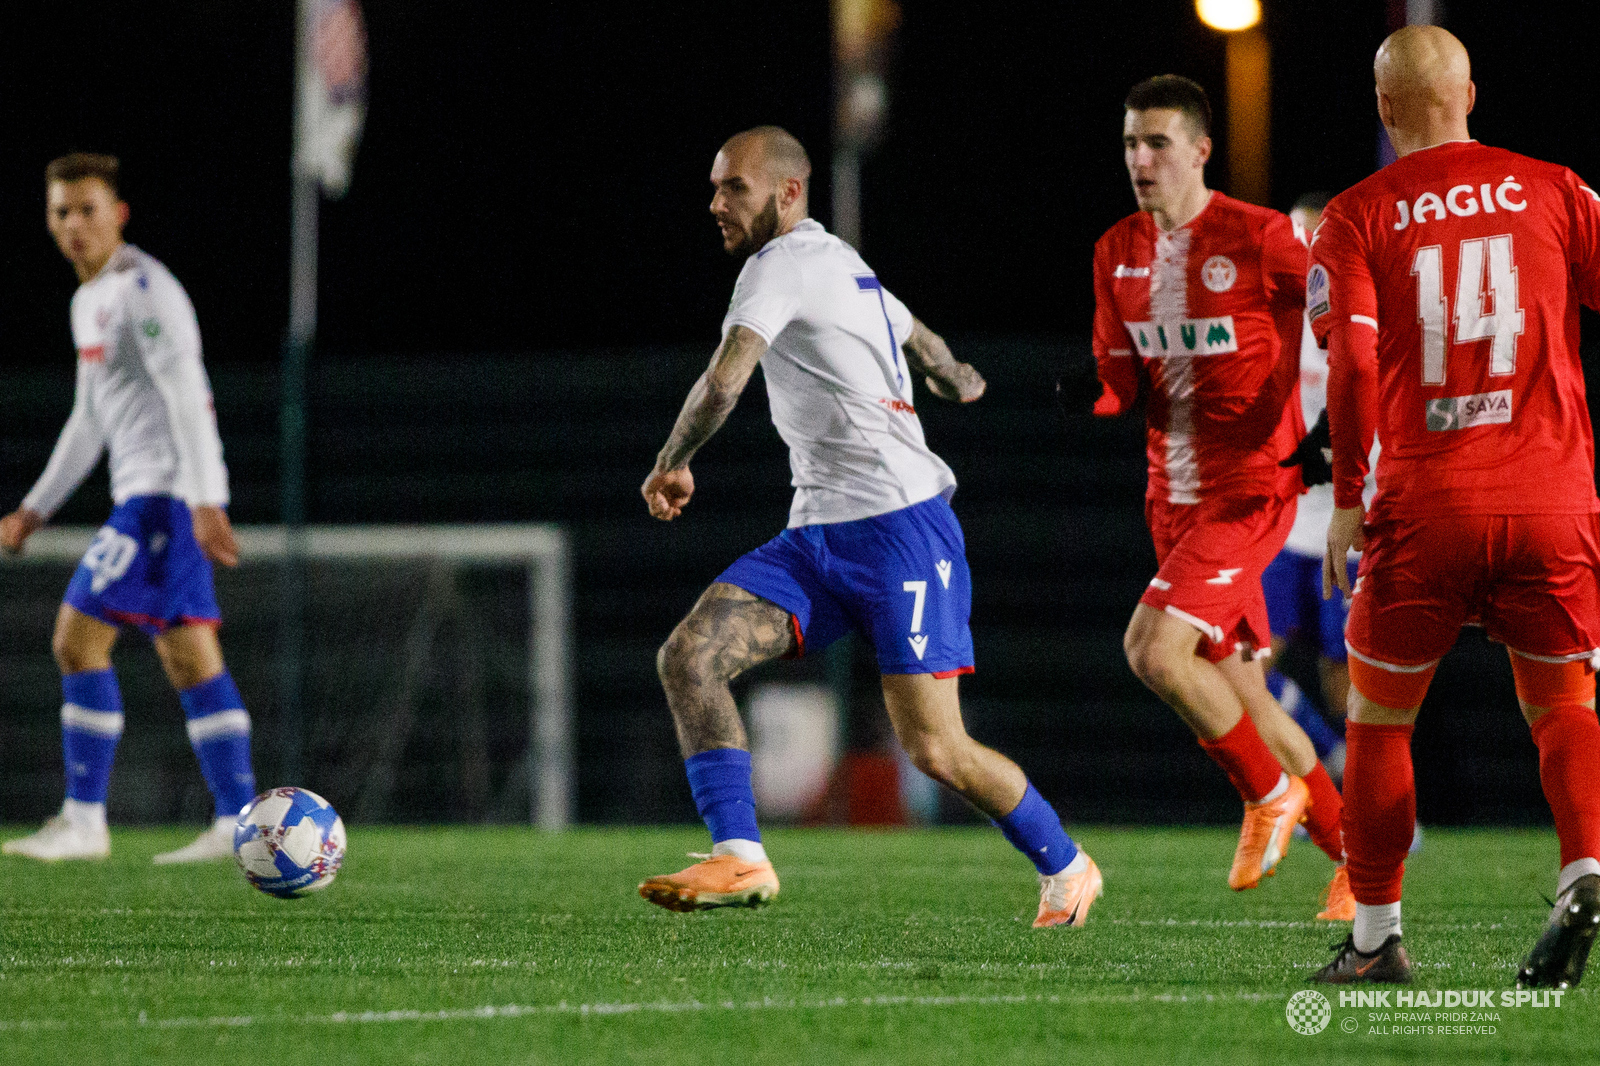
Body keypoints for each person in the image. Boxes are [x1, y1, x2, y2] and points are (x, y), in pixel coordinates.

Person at [638, 127, 1101, 928]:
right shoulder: (840, 262)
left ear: (787, 192)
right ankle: (741, 857)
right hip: (819, 537)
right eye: (713, 188)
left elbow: (724, 381)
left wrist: (673, 459)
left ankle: (1066, 863)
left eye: (733, 188)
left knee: (936, 750)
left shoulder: (779, 266)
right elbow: (918, 334)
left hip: (900, 533)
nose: (715, 203)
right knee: (690, 656)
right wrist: (950, 373)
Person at [1310, 26, 1600, 986]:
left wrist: (1349, 498)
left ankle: (1375, 939)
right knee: (1564, 707)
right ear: (1472, 92)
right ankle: (1585, 870)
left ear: (1385, 109)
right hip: (1552, 493)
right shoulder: (1555, 187)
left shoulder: (1354, 215)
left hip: (1427, 501)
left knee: (1380, 719)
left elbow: (1350, 361)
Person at [1063, 76, 1351, 918]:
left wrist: (1338, 424)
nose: (1140, 159)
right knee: (1250, 695)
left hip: (1251, 495)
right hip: (1173, 505)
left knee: (1153, 651)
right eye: (1128, 144)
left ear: (1199, 150)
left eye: (1156, 143)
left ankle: (1267, 795)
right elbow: (1120, 383)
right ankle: (1364, 869)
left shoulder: (1258, 238)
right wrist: (1091, 389)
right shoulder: (1116, 249)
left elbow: (1351, 320)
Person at [0, 153, 257, 864]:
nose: (74, 224)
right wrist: (35, 508)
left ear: (119, 214)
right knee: (191, 659)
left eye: (87, 209)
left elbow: (189, 396)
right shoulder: (90, 300)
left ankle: (84, 821)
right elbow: (90, 418)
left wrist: (207, 501)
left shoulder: (146, 292)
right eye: (60, 212)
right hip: (152, 498)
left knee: (75, 639)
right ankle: (238, 822)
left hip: (161, 501)